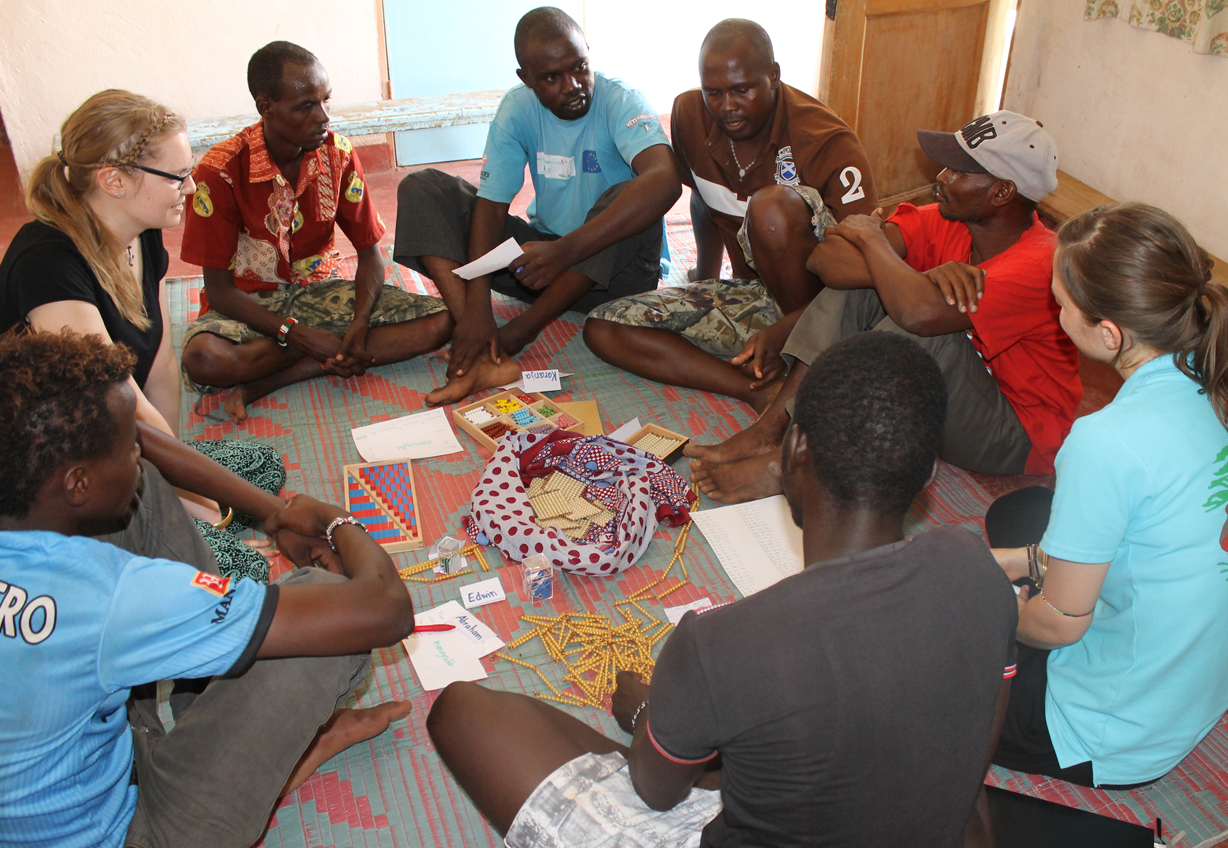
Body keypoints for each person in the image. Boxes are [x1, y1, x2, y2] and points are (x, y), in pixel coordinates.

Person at [426, 332, 1019, 847]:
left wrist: (646, 718)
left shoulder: (721, 643)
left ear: (794, 449)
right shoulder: (977, 571)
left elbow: (656, 794)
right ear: (931, 471)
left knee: (462, 711)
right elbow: (964, 758)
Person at [0, 331, 415, 848]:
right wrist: (334, 521)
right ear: (78, 482)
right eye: (127, 443)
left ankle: (211, 722)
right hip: (129, 832)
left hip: (68, 770)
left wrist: (272, 514)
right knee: (330, 607)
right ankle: (270, 758)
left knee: (142, 487)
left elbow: (150, 454)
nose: (140, 445)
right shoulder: (109, 596)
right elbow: (386, 611)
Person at [690, 111, 1082, 503]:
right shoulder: (952, 221)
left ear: (1002, 193)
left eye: (959, 172)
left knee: (919, 332)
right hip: (945, 400)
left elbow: (919, 316)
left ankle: (800, 465)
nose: (940, 178)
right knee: (861, 292)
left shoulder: (1040, 262)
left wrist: (877, 245)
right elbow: (826, 261)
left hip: (1015, 434)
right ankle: (773, 432)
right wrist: (920, 280)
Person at [984, 203, 1228, 789]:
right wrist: (1022, 561)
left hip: (1108, 732)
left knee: (916, 652)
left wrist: (966, 598)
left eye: (1061, 303)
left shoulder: (1107, 441)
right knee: (1021, 512)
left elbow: (1061, 626)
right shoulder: (1213, 373)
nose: (1055, 310)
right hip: (1195, 683)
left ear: (1110, 332)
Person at [0, 89, 287, 581]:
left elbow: (156, 363)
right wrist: (186, 502)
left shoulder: (142, 231)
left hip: (119, 449)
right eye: (177, 176)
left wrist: (176, 476)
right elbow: (124, 408)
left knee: (262, 467)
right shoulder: (47, 265)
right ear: (113, 180)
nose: (191, 186)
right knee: (242, 573)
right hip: (65, 473)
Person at [393, 6, 682, 406]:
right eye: (551, 77)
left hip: (615, 278)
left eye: (580, 67)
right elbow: (491, 207)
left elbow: (665, 181)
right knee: (422, 187)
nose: (574, 85)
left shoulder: (622, 101)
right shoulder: (517, 108)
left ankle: (513, 337)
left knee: (632, 196)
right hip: (541, 268)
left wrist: (565, 251)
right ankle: (476, 333)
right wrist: (478, 305)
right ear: (525, 78)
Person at [585, 19, 877, 411]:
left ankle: (811, 361)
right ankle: (754, 389)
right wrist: (704, 277)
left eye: (742, 90)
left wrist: (789, 328)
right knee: (604, 328)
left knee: (771, 208)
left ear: (774, 76)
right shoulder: (690, 113)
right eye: (714, 92)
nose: (727, 107)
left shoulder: (828, 142)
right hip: (753, 296)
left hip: (828, 310)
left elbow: (864, 271)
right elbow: (704, 199)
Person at [180, 41, 452, 423]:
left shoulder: (338, 154)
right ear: (265, 107)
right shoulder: (219, 171)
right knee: (204, 360)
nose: (323, 116)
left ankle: (272, 379)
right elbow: (221, 292)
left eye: (326, 100)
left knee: (442, 322)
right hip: (250, 302)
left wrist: (358, 322)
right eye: (306, 106)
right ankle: (327, 351)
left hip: (319, 294)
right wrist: (300, 335)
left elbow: (371, 253)